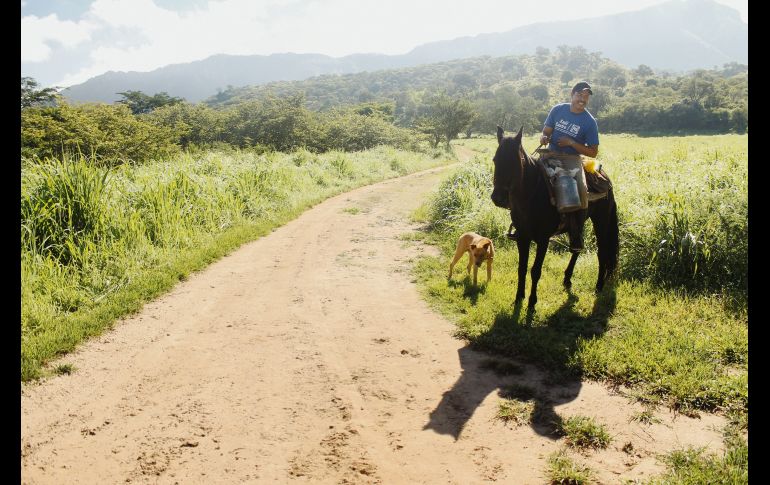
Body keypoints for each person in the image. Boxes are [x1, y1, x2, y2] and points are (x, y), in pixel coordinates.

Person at [508, 81, 599, 252]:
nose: (583, 99)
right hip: (550, 154)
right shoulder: (558, 110)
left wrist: (571, 142)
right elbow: (546, 131)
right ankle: (518, 223)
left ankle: (576, 234)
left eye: (586, 96)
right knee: (525, 178)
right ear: (572, 94)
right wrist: (543, 138)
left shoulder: (589, 122)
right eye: (580, 95)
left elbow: (593, 152)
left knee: (581, 190)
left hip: (572, 159)